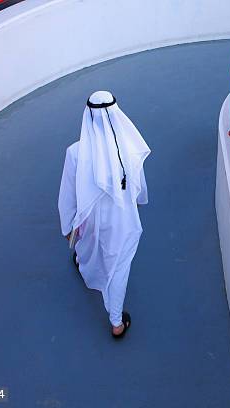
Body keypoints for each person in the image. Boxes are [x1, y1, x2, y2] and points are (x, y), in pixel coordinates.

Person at [58, 91, 150, 338]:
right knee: (119, 267)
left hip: (90, 221)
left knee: (90, 249)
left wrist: (68, 225)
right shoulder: (130, 147)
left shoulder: (75, 153)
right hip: (124, 221)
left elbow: (68, 194)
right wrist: (138, 202)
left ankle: (82, 263)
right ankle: (116, 321)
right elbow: (138, 184)